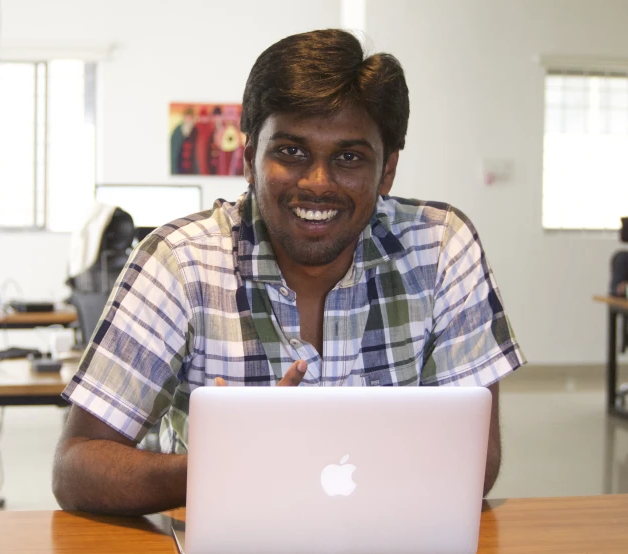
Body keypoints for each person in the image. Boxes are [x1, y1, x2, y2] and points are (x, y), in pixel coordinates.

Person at [52, 29, 526, 516]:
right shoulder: (180, 260)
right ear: (250, 159)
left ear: (386, 171)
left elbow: (478, 462)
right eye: (291, 152)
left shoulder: (441, 246)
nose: (317, 183)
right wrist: (222, 465)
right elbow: (76, 468)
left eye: (349, 157)